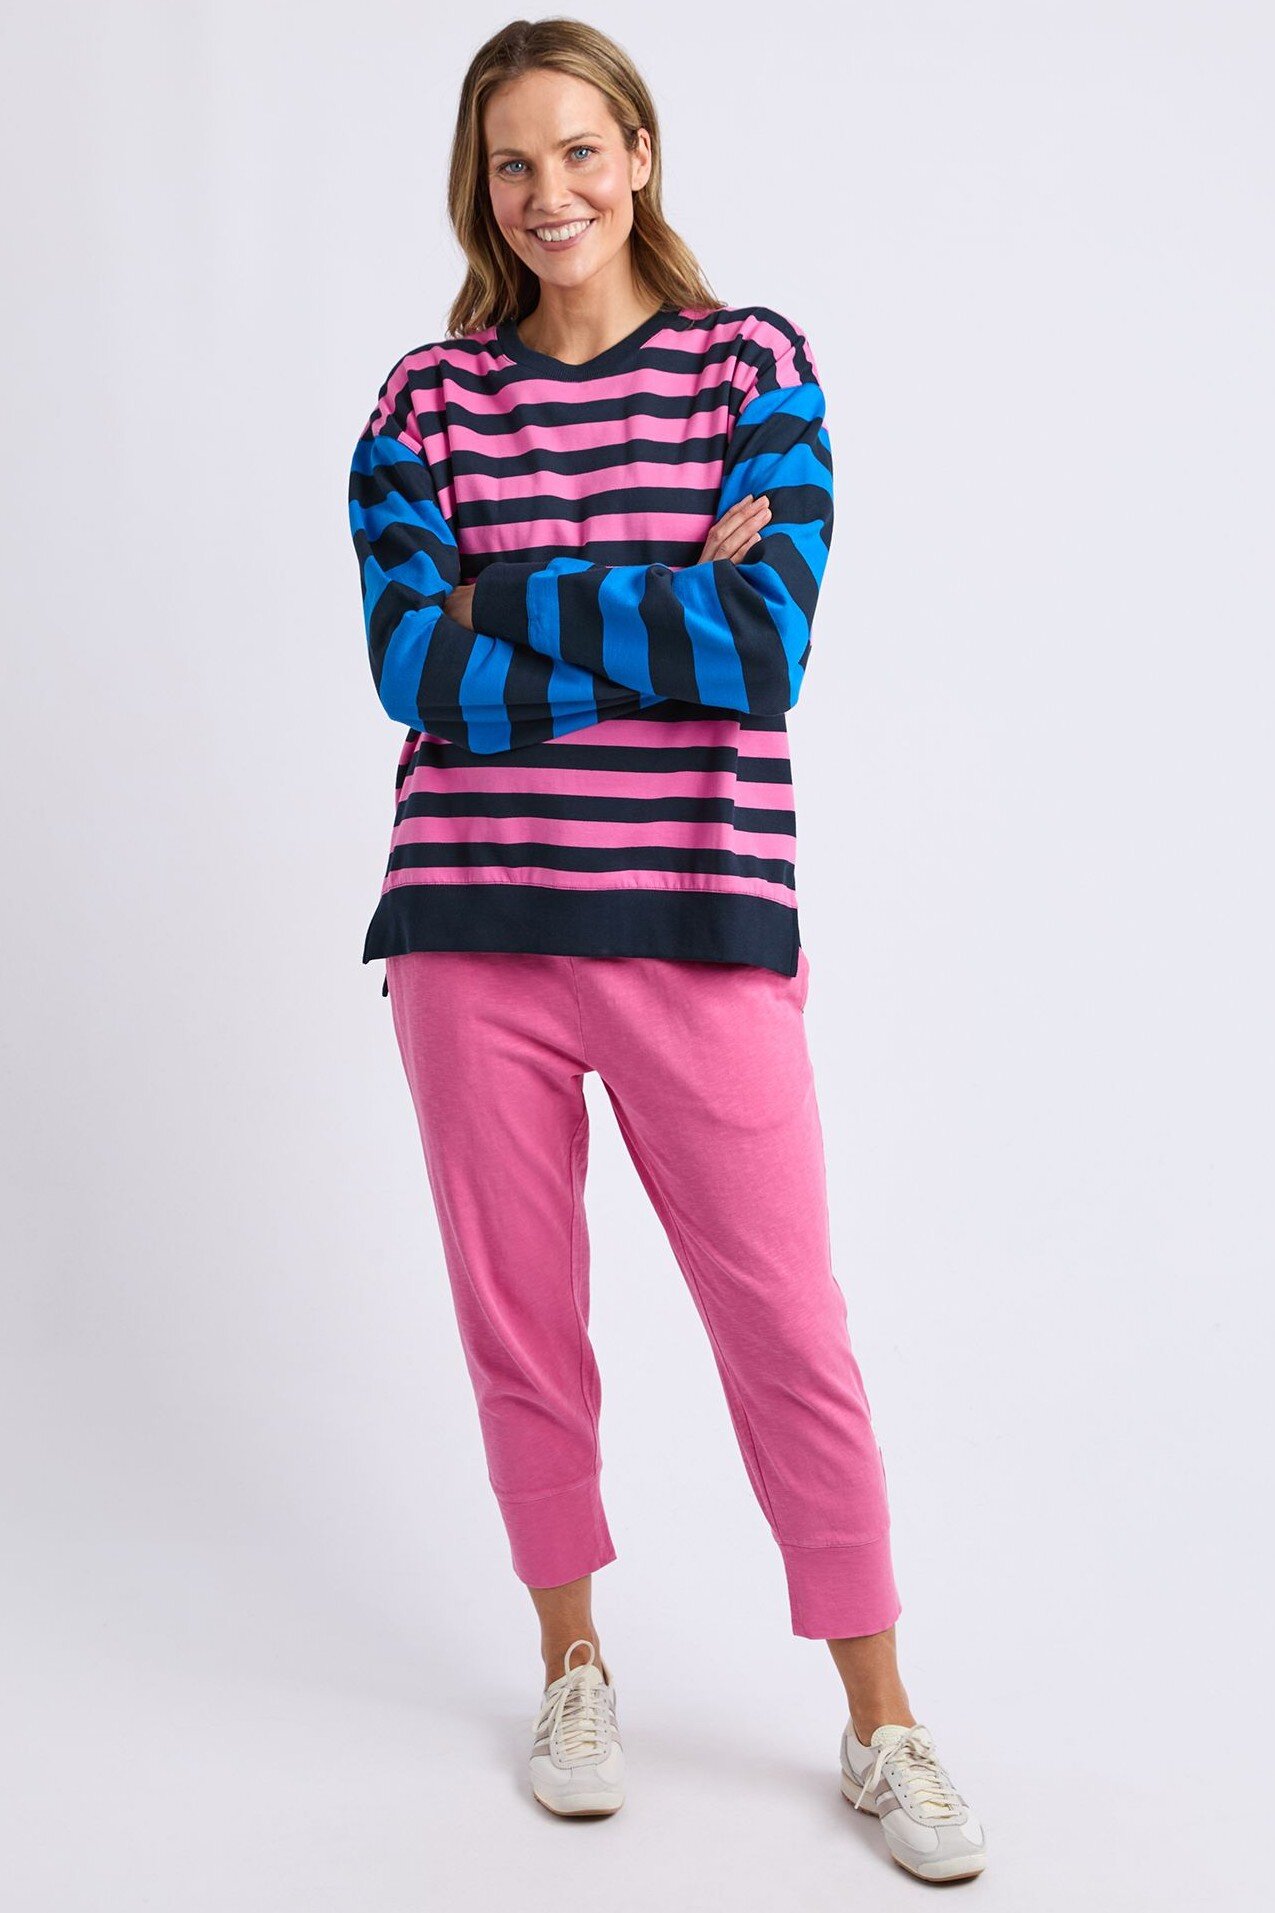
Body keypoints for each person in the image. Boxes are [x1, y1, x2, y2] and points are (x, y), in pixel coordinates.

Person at [347, 16, 987, 1882]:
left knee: (787, 1325)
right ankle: (573, 1666)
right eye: (511, 162)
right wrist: (654, 608)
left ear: (638, 152)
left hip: (702, 921)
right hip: (470, 927)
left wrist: (511, 593)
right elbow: (412, 668)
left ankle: (881, 1715)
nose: (548, 192)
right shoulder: (423, 402)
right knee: (521, 1323)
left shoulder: (747, 364)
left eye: (579, 149)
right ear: (479, 187)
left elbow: (763, 644)